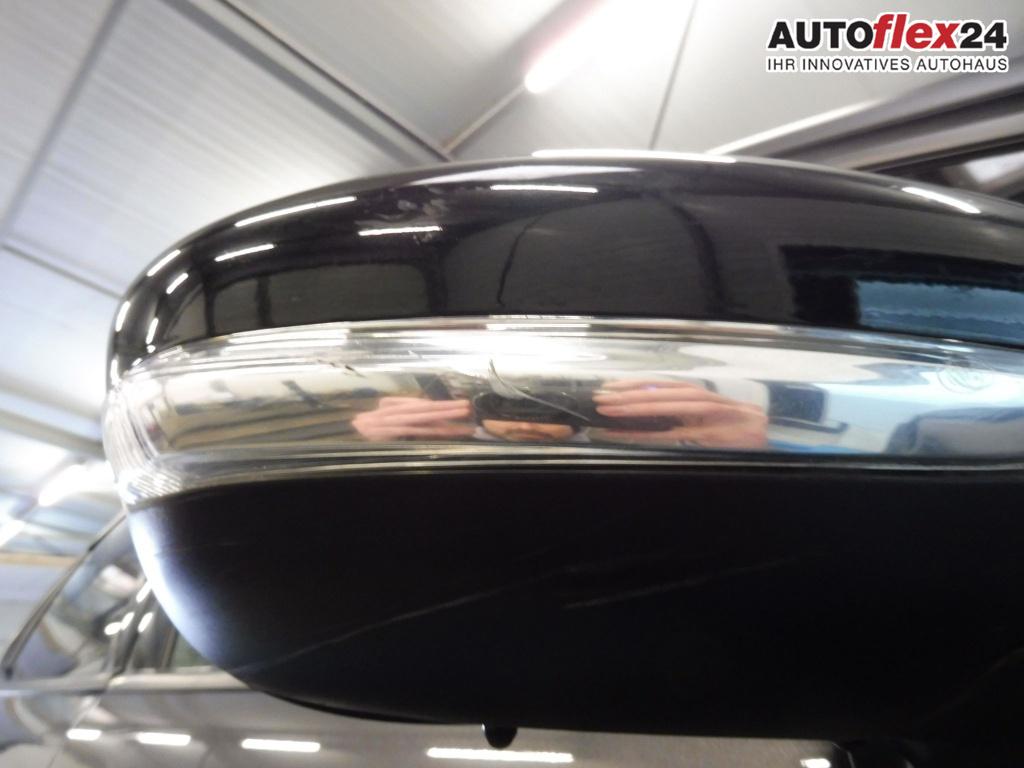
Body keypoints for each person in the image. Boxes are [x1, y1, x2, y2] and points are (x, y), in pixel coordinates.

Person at [352, 380, 767, 449]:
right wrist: (367, 445)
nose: (526, 422)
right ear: (472, 399)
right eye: (507, 403)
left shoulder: (656, 445)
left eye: (552, 407)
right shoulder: (428, 442)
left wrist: (754, 446)